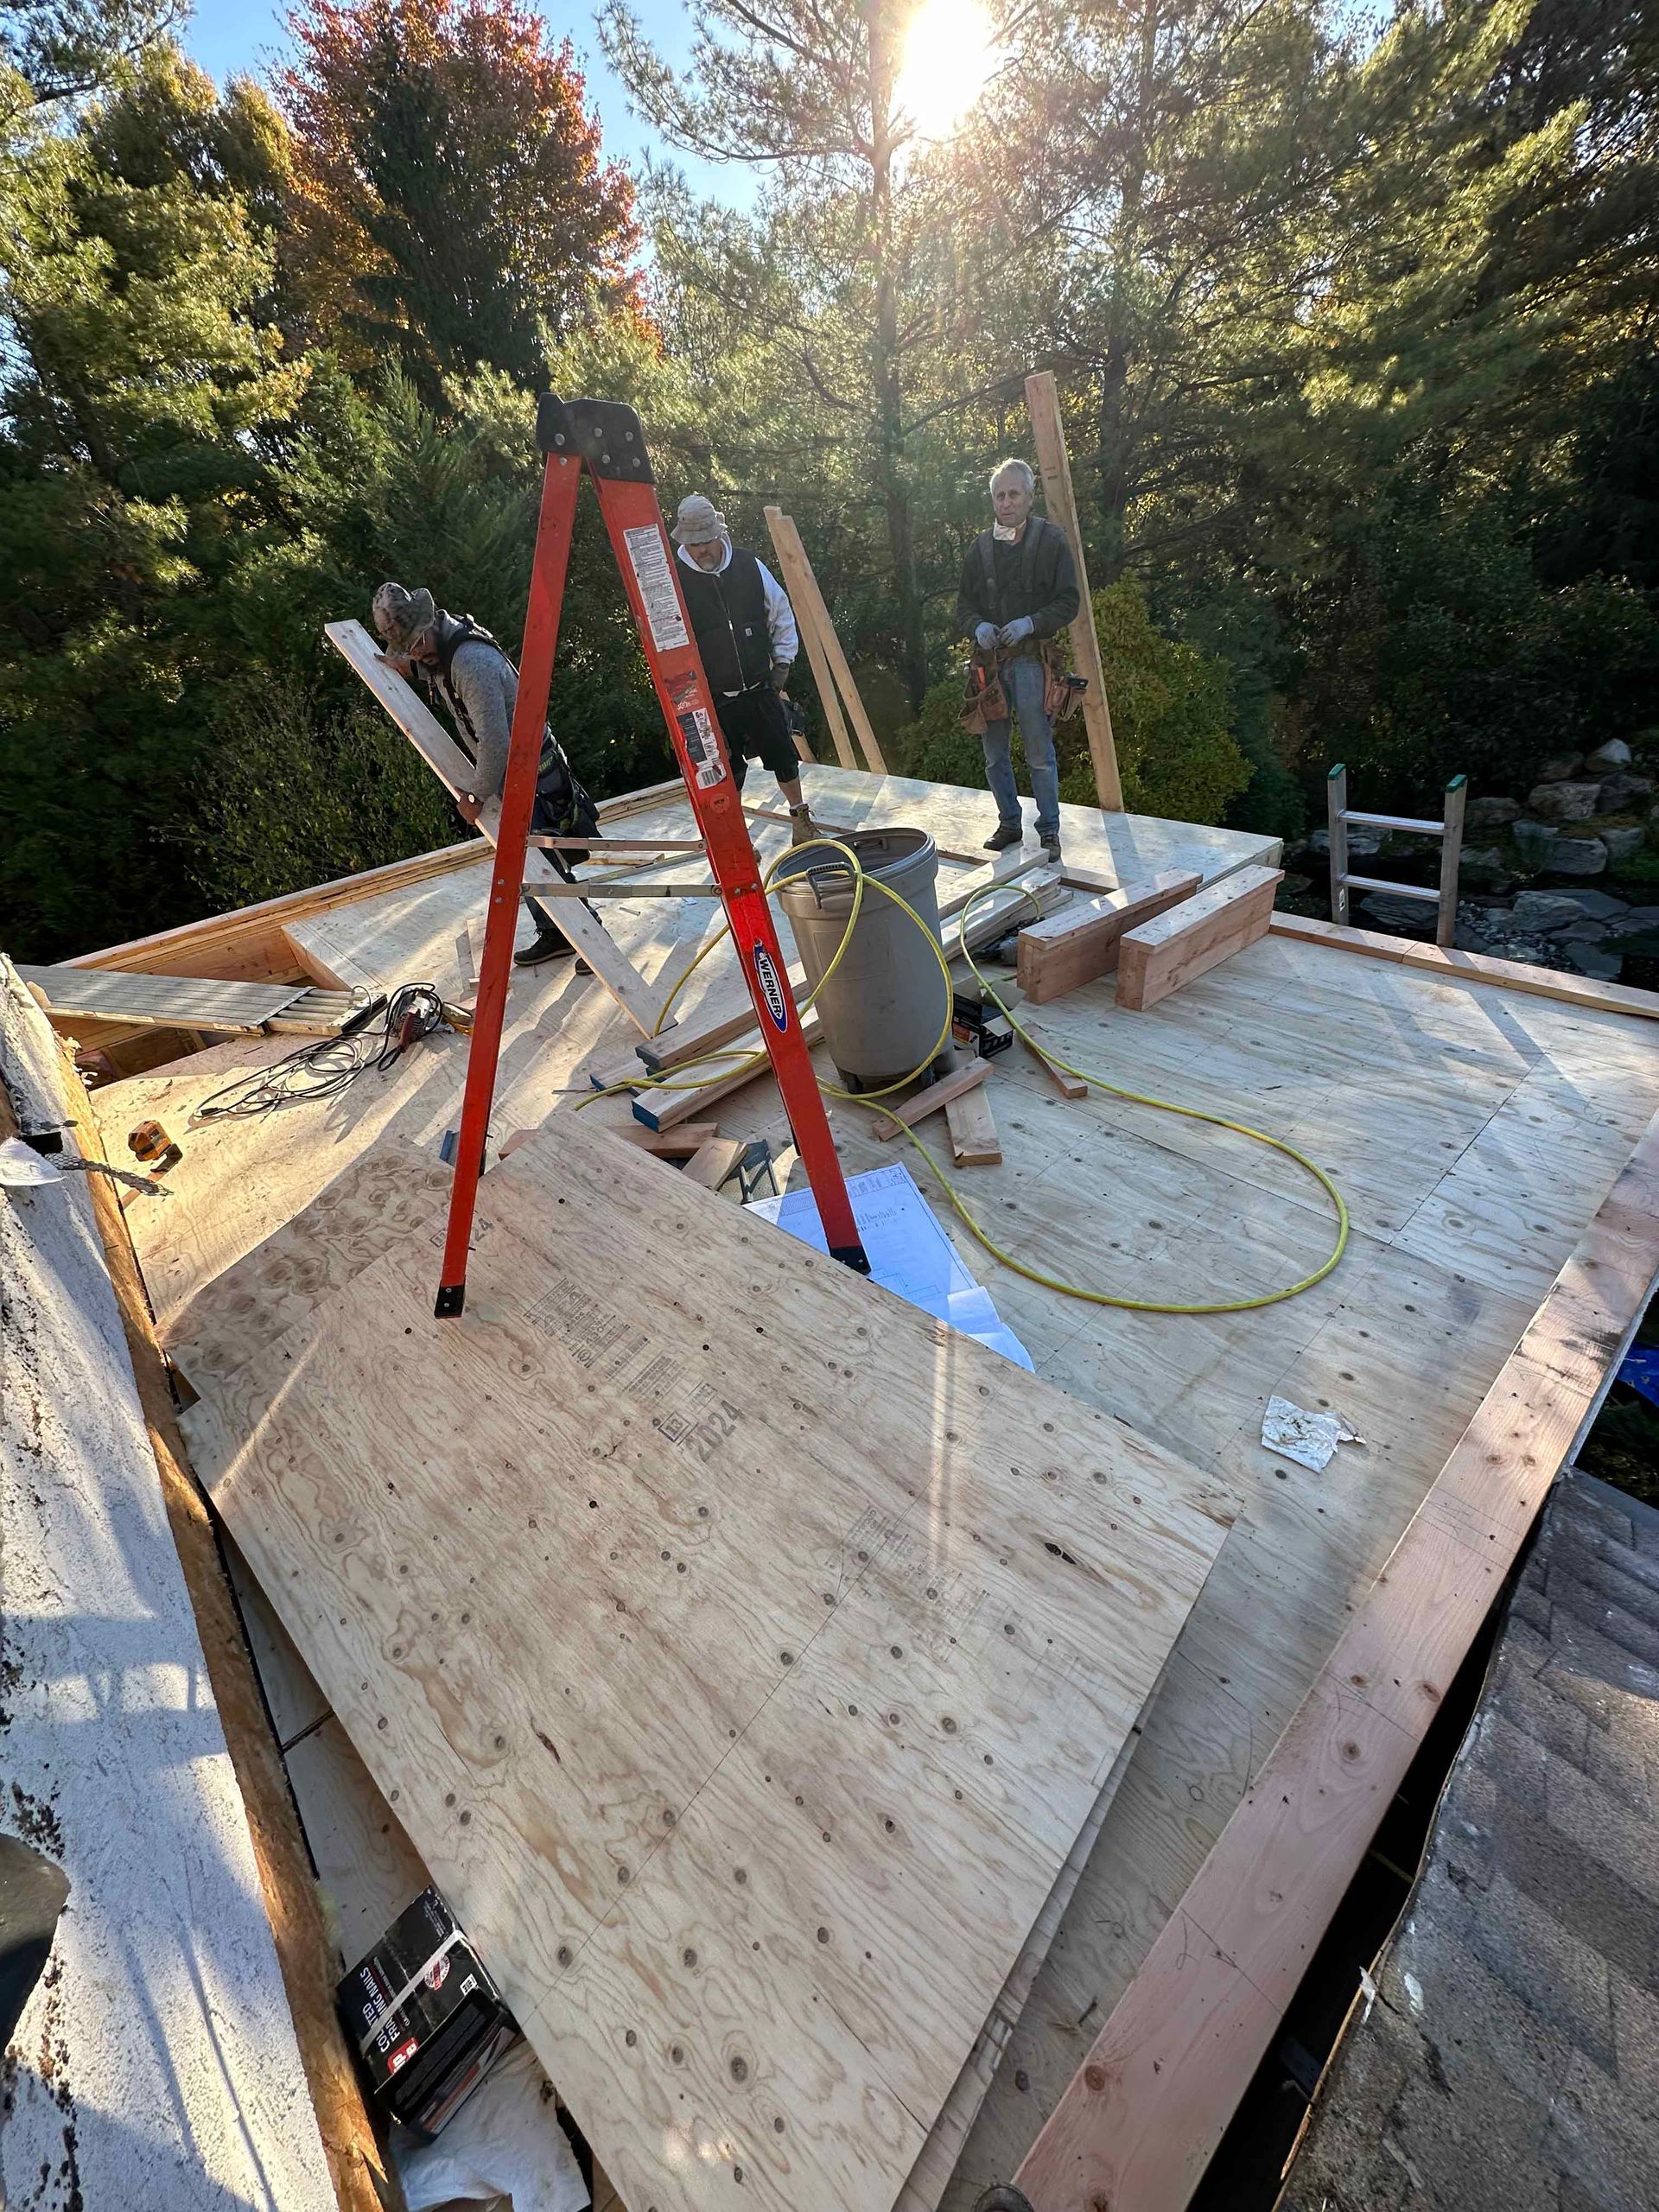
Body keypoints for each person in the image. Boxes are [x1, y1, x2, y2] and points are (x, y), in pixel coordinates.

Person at [371, 582, 600, 969]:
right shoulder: (440, 648)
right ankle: (556, 933)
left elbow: (496, 741)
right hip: (509, 768)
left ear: (427, 627)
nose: (414, 653)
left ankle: (590, 935)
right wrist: (408, 665)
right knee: (520, 853)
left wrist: (476, 797)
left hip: (530, 768)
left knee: (546, 854)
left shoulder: (471, 663)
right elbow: (434, 670)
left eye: (414, 646)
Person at [670, 494, 821, 845]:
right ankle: (735, 838)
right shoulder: (674, 581)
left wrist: (782, 662)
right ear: (685, 543)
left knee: (784, 755)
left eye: (706, 541)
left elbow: (780, 612)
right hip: (712, 696)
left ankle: (800, 820)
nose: (702, 550)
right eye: (694, 544)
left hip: (758, 684)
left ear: (718, 534)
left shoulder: (748, 565)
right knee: (724, 770)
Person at [956, 458, 1080, 860]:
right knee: (994, 754)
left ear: (1029, 496)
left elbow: (1068, 602)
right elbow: (963, 607)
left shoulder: (1051, 541)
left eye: (1013, 494)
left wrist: (1032, 622)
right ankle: (1009, 823)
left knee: (1039, 753)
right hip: (990, 666)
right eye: (999, 495)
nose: (1006, 503)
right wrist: (976, 626)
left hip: (1030, 661)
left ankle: (1049, 830)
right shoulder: (980, 548)